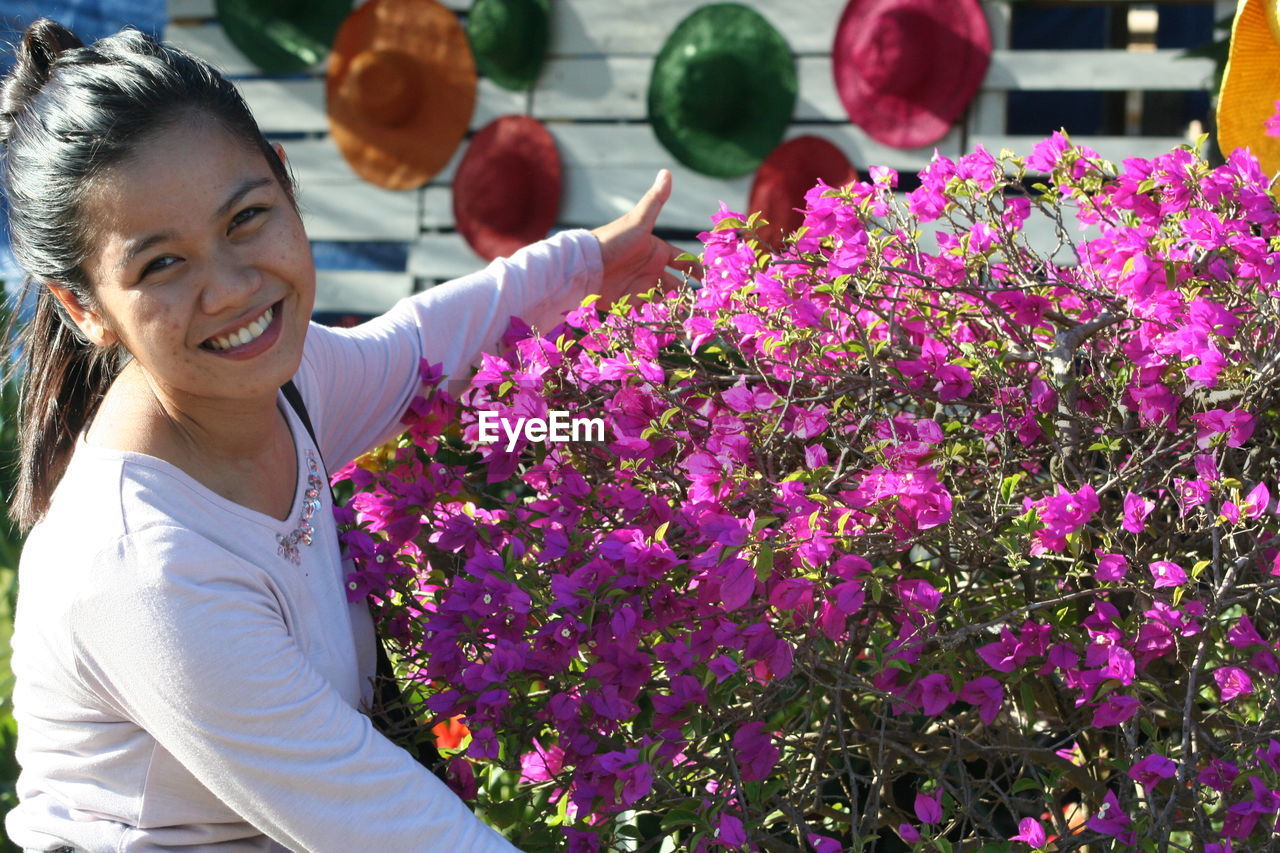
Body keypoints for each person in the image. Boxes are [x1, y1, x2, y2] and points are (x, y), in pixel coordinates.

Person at [0, 18, 692, 853]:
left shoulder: (282, 386)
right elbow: (396, 831)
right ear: (83, 308)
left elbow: (411, 350)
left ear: (286, 184)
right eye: (161, 266)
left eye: (246, 218)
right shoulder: (141, 560)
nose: (230, 288)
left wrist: (585, 262)